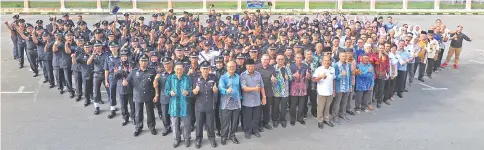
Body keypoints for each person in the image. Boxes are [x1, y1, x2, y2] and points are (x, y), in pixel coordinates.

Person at [125, 54, 157, 137]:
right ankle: (138, 127)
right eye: (142, 61)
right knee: (138, 113)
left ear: (148, 61)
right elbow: (127, 80)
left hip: (149, 94)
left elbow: (156, 81)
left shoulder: (152, 71)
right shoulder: (134, 71)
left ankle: (152, 127)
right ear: (139, 62)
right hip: (137, 95)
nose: (143, 62)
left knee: (150, 112)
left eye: (145, 61)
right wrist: (125, 82)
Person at [164, 62, 193, 148]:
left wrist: (188, 92)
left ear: (183, 69)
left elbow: (192, 90)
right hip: (174, 106)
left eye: (180, 69)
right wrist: (170, 92)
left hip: (185, 105)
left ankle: (187, 139)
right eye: (177, 69)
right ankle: (176, 139)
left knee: (186, 124)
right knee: (175, 124)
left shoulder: (187, 78)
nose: (179, 71)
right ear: (174, 69)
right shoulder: (170, 78)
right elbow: (166, 91)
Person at [192, 61, 218, 148]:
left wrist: (216, 91)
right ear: (200, 69)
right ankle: (198, 139)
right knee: (199, 124)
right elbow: (192, 91)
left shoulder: (213, 78)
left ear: (209, 69)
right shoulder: (196, 78)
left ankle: (212, 139)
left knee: (210, 124)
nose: (205, 70)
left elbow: (217, 90)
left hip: (210, 105)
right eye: (203, 69)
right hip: (199, 105)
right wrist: (194, 91)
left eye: (207, 69)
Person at [241, 59, 266, 139]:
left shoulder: (258, 74)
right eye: (249, 66)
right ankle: (247, 132)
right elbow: (244, 88)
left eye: (252, 66)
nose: (250, 68)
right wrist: (254, 89)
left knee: (256, 117)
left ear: (254, 66)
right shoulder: (243, 75)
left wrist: (264, 97)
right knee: (247, 118)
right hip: (247, 101)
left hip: (257, 100)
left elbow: (262, 86)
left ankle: (255, 130)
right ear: (246, 66)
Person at [218, 61, 241, 145]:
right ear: (227, 68)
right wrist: (226, 90)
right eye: (230, 67)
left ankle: (232, 135)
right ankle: (223, 136)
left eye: (233, 66)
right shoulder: (223, 77)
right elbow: (220, 88)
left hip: (236, 103)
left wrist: (240, 98)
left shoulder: (237, 76)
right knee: (225, 121)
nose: (232, 68)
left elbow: (239, 89)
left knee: (234, 121)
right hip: (226, 103)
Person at [312, 55, 335, 129]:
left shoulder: (332, 69)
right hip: (321, 92)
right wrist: (320, 77)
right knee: (320, 108)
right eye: (325, 60)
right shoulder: (319, 69)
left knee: (327, 107)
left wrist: (333, 90)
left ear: (330, 61)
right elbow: (314, 79)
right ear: (322, 61)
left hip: (330, 92)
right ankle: (320, 121)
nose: (327, 62)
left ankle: (326, 119)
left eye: (328, 60)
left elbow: (333, 80)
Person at [87, 40, 110, 115]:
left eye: (98, 46)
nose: (97, 47)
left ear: (101, 46)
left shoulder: (106, 54)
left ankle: (112, 105)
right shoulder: (93, 54)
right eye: (95, 46)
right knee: (96, 91)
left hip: (105, 74)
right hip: (96, 75)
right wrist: (93, 55)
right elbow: (88, 63)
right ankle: (96, 107)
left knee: (109, 91)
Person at [154, 57, 174, 136]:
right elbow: (155, 85)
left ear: (171, 63)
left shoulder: (176, 73)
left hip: (174, 97)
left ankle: (176, 127)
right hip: (164, 97)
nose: (166, 65)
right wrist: (155, 79)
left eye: (168, 63)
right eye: (164, 64)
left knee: (175, 114)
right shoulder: (160, 74)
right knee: (165, 114)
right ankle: (167, 128)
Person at [271, 55, 292, 128]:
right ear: (276, 60)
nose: (280, 60)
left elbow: (291, 77)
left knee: (284, 107)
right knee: (275, 107)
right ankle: (275, 120)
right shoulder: (272, 68)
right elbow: (270, 77)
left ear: (284, 60)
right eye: (279, 59)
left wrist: (288, 77)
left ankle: (283, 120)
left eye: (282, 59)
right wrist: (271, 78)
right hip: (276, 91)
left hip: (285, 91)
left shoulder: (287, 68)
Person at [115, 49, 135, 126]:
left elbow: (134, 75)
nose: (124, 58)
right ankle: (125, 118)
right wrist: (118, 72)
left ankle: (133, 118)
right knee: (123, 105)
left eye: (125, 56)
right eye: (122, 56)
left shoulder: (132, 64)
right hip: (121, 88)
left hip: (130, 87)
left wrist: (128, 72)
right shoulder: (117, 64)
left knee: (132, 105)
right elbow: (115, 77)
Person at [289, 53, 309, 126]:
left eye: (300, 58)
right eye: (297, 58)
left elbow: (308, 76)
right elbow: (288, 77)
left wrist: (308, 76)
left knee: (302, 104)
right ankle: (292, 119)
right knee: (293, 105)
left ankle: (300, 118)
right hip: (294, 88)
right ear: (295, 58)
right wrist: (292, 75)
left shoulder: (305, 66)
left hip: (303, 88)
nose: (299, 59)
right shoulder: (291, 67)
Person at [255, 54, 274, 131]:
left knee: (267, 108)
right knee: (258, 109)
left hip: (268, 91)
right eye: (264, 59)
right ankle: (259, 124)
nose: (266, 61)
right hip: (258, 91)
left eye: (267, 59)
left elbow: (274, 79)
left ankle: (266, 122)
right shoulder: (256, 68)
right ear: (261, 60)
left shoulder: (272, 68)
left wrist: (274, 80)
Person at [332, 51, 351, 123]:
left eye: (345, 56)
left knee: (344, 102)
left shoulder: (348, 65)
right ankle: (335, 116)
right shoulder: (335, 65)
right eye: (342, 56)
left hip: (346, 87)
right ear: (339, 57)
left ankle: (342, 114)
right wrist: (341, 75)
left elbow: (349, 76)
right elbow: (334, 77)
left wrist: (350, 86)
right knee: (337, 102)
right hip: (339, 87)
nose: (344, 57)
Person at [104, 42, 122, 119]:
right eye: (112, 47)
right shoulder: (108, 58)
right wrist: (106, 80)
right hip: (111, 77)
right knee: (112, 93)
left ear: (117, 47)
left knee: (122, 93)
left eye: (114, 47)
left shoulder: (122, 56)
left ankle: (124, 110)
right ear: (110, 48)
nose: (113, 49)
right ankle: (113, 109)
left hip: (120, 76)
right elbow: (106, 70)